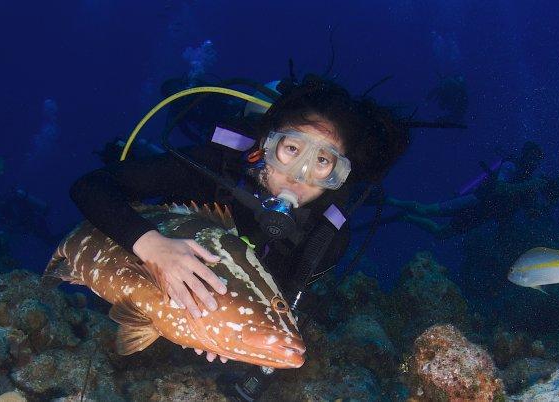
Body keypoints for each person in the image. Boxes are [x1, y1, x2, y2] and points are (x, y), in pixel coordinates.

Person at [69, 75, 410, 400]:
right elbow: (89, 187)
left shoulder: (327, 237)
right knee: (134, 176)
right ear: (266, 144)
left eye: (322, 161)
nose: (298, 176)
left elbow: (276, 300)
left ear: (338, 176)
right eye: (292, 149)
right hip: (158, 223)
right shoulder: (217, 164)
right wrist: (153, 246)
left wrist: (213, 330)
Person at [378, 141, 547, 239]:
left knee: (442, 234)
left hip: (483, 214)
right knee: (427, 209)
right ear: (525, 156)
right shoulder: (511, 166)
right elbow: (500, 188)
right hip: (475, 200)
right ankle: (392, 201)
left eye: (537, 161)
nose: (534, 164)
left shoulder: (528, 180)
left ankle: (406, 217)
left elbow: (525, 206)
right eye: (532, 159)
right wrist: (529, 185)